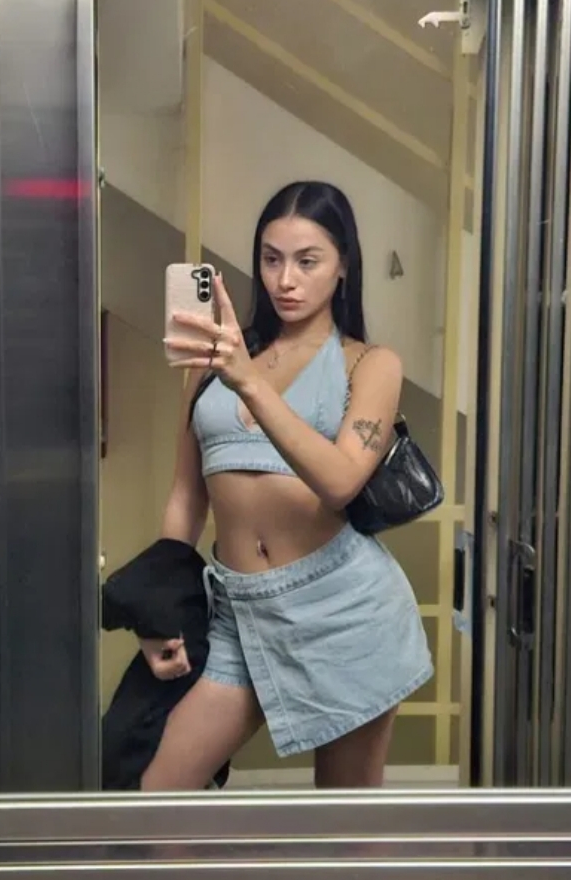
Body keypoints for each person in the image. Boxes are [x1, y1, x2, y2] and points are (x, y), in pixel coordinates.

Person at [142, 180, 433, 790]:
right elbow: (186, 497)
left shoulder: (370, 364)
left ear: (343, 266)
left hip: (344, 609)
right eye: (271, 259)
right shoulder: (212, 363)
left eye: (307, 261)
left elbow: (341, 482)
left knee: (342, 824)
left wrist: (250, 383)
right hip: (238, 611)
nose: (285, 280)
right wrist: (161, 607)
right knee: (157, 792)